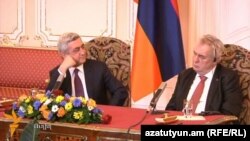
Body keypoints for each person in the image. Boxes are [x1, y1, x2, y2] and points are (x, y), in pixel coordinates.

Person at [166, 34, 242, 117]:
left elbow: (229, 112)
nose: (195, 60)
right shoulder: (185, 75)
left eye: (202, 57)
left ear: (215, 60)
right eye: (195, 54)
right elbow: (171, 108)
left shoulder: (228, 77)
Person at [46, 32, 128, 106]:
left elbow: (120, 91)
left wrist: (109, 111)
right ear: (64, 54)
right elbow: (49, 99)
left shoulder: (99, 68)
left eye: (82, 47)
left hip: (97, 118)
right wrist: (63, 68)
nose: (83, 52)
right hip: (69, 119)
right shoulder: (58, 72)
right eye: (77, 50)